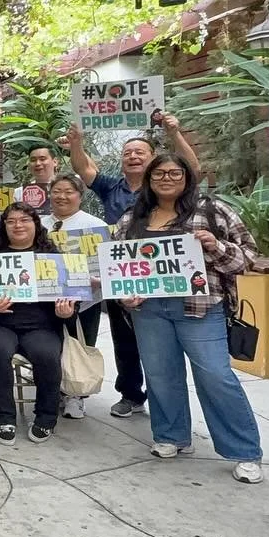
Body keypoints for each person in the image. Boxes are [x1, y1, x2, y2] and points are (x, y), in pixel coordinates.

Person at [116, 154, 263, 484]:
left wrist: (215, 246)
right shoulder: (132, 218)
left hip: (201, 308)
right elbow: (120, 268)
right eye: (159, 174)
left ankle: (244, 451)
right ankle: (171, 436)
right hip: (149, 310)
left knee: (215, 375)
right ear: (150, 180)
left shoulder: (212, 210)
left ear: (187, 177)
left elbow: (248, 257)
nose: (166, 179)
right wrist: (125, 293)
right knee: (160, 375)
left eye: (174, 173)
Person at [65, 118, 201, 419]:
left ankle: (166, 400)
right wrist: (76, 142)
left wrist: (173, 132)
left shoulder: (166, 187)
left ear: (153, 159)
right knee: (124, 339)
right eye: (128, 152)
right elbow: (84, 169)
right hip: (122, 275)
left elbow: (191, 170)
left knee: (162, 342)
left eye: (140, 151)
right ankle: (131, 394)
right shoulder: (111, 186)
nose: (133, 156)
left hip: (165, 275)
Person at [0, 203, 76, 446]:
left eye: (24, 220)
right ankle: (3, 417)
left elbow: (72, 298)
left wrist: (66, 312)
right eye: (11, 221)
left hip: (41, 326)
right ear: (4, 226)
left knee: (48, 354)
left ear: (36, 224)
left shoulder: (53, 257)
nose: (18, 225)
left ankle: (46, 417)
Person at [41, 173, 110, 420]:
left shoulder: (95, 225)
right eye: (57, 191)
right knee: (54, 344)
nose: (61, 196)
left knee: (82, 343)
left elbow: (107, 263)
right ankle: (58, 389)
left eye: (68, 191)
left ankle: (77, 396)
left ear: (80, 195)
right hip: (48, 298)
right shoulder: (40, 224)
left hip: (86, 298)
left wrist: (96, 280)